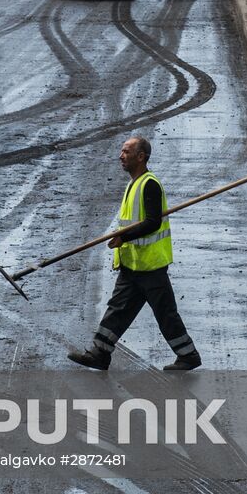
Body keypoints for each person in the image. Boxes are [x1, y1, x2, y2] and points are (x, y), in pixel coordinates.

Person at [67, 136, 202, 372]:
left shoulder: (149, 184)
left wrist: (124, 237)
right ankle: (99, 353)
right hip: (133, 265)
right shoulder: (133, 183)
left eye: (126, 151)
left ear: (141, 157)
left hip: (150, 266)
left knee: (165, 313)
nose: (121, 156)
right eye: (121, 151)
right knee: (117, 310)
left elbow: (151, 223)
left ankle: (188, 355)